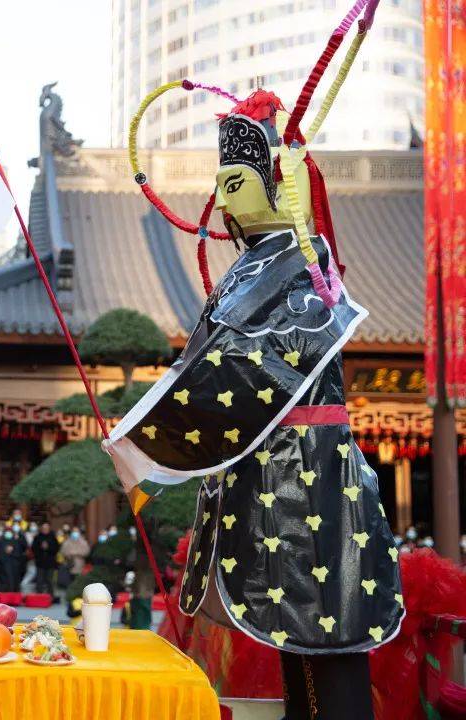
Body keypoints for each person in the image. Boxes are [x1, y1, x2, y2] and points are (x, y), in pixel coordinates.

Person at [104, 17, 401, 714]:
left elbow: (240, 369)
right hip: (271, 475)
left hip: (309, 478)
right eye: (223, 182)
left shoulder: (303, 262)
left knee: (325, 644)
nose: (227, 195)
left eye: (237, 180)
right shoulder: (258, 267)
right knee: (301, 649)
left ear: (280, 184)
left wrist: (143, 443)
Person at [32, 522, 59, 598]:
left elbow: (56, 549)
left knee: (50, 580)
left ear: (49, 529)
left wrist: (48, 547)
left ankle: (50, 597)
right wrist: (41, 548)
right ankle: (39, 597)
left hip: (50, 563)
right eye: (44, 528)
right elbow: (33, 549)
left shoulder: (53, 537)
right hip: (40, 563)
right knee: (39, 580)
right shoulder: (37, 537)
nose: (45, 529)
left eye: (46, 528)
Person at [0, 528, 22, 592]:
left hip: (14, 566)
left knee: (14, 583)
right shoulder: (1, 542)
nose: (8, 533)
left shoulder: (15, 542)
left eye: (9, 532)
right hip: (3, 566)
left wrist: (12, 551)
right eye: (7, 531)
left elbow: (19, 554)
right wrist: (5, 552)